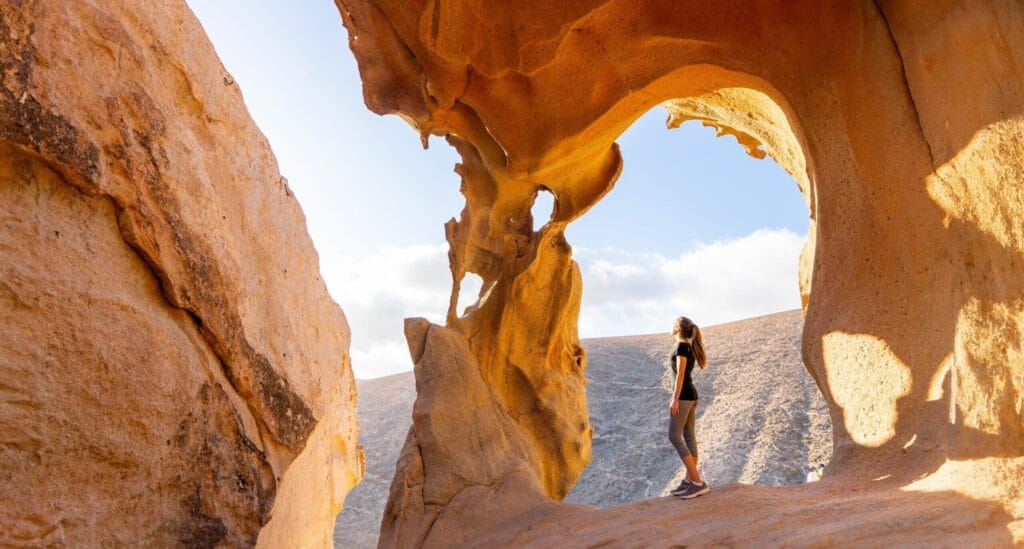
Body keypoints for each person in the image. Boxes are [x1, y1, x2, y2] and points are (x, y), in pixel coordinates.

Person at [668, 316, 709, 499]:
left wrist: (675, 399)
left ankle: (698, 482)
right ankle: (689, 481)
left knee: (674, 436)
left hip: (684, 397)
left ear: (677, 328)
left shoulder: (682, 347)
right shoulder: (687, 346)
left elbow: (681, 375)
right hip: (690, 396)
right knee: (689, 437)